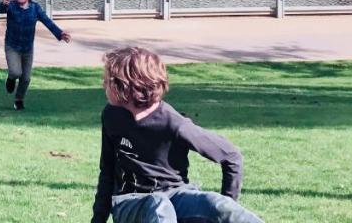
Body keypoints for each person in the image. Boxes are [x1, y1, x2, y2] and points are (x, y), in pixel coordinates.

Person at [92, 47, 264, 223]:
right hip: (129, 202)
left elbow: (231, 156)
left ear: (129, 87)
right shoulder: (111, 115)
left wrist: (229, 201)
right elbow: (107, 170)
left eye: (108, 80)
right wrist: (98, 219)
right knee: (159, 205)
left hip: (177, 195)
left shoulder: (174, 124)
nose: (103, 84)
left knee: (217, 204)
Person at [0, 0, 71, 110]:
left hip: (27, 49)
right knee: (15, 72)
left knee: (26, 78)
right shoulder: (10, 6)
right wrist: (2, 4)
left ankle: (19, 100)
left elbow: (47, 21)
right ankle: (11, 79)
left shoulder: (35, 8)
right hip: (12, 46)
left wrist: (60, 33)